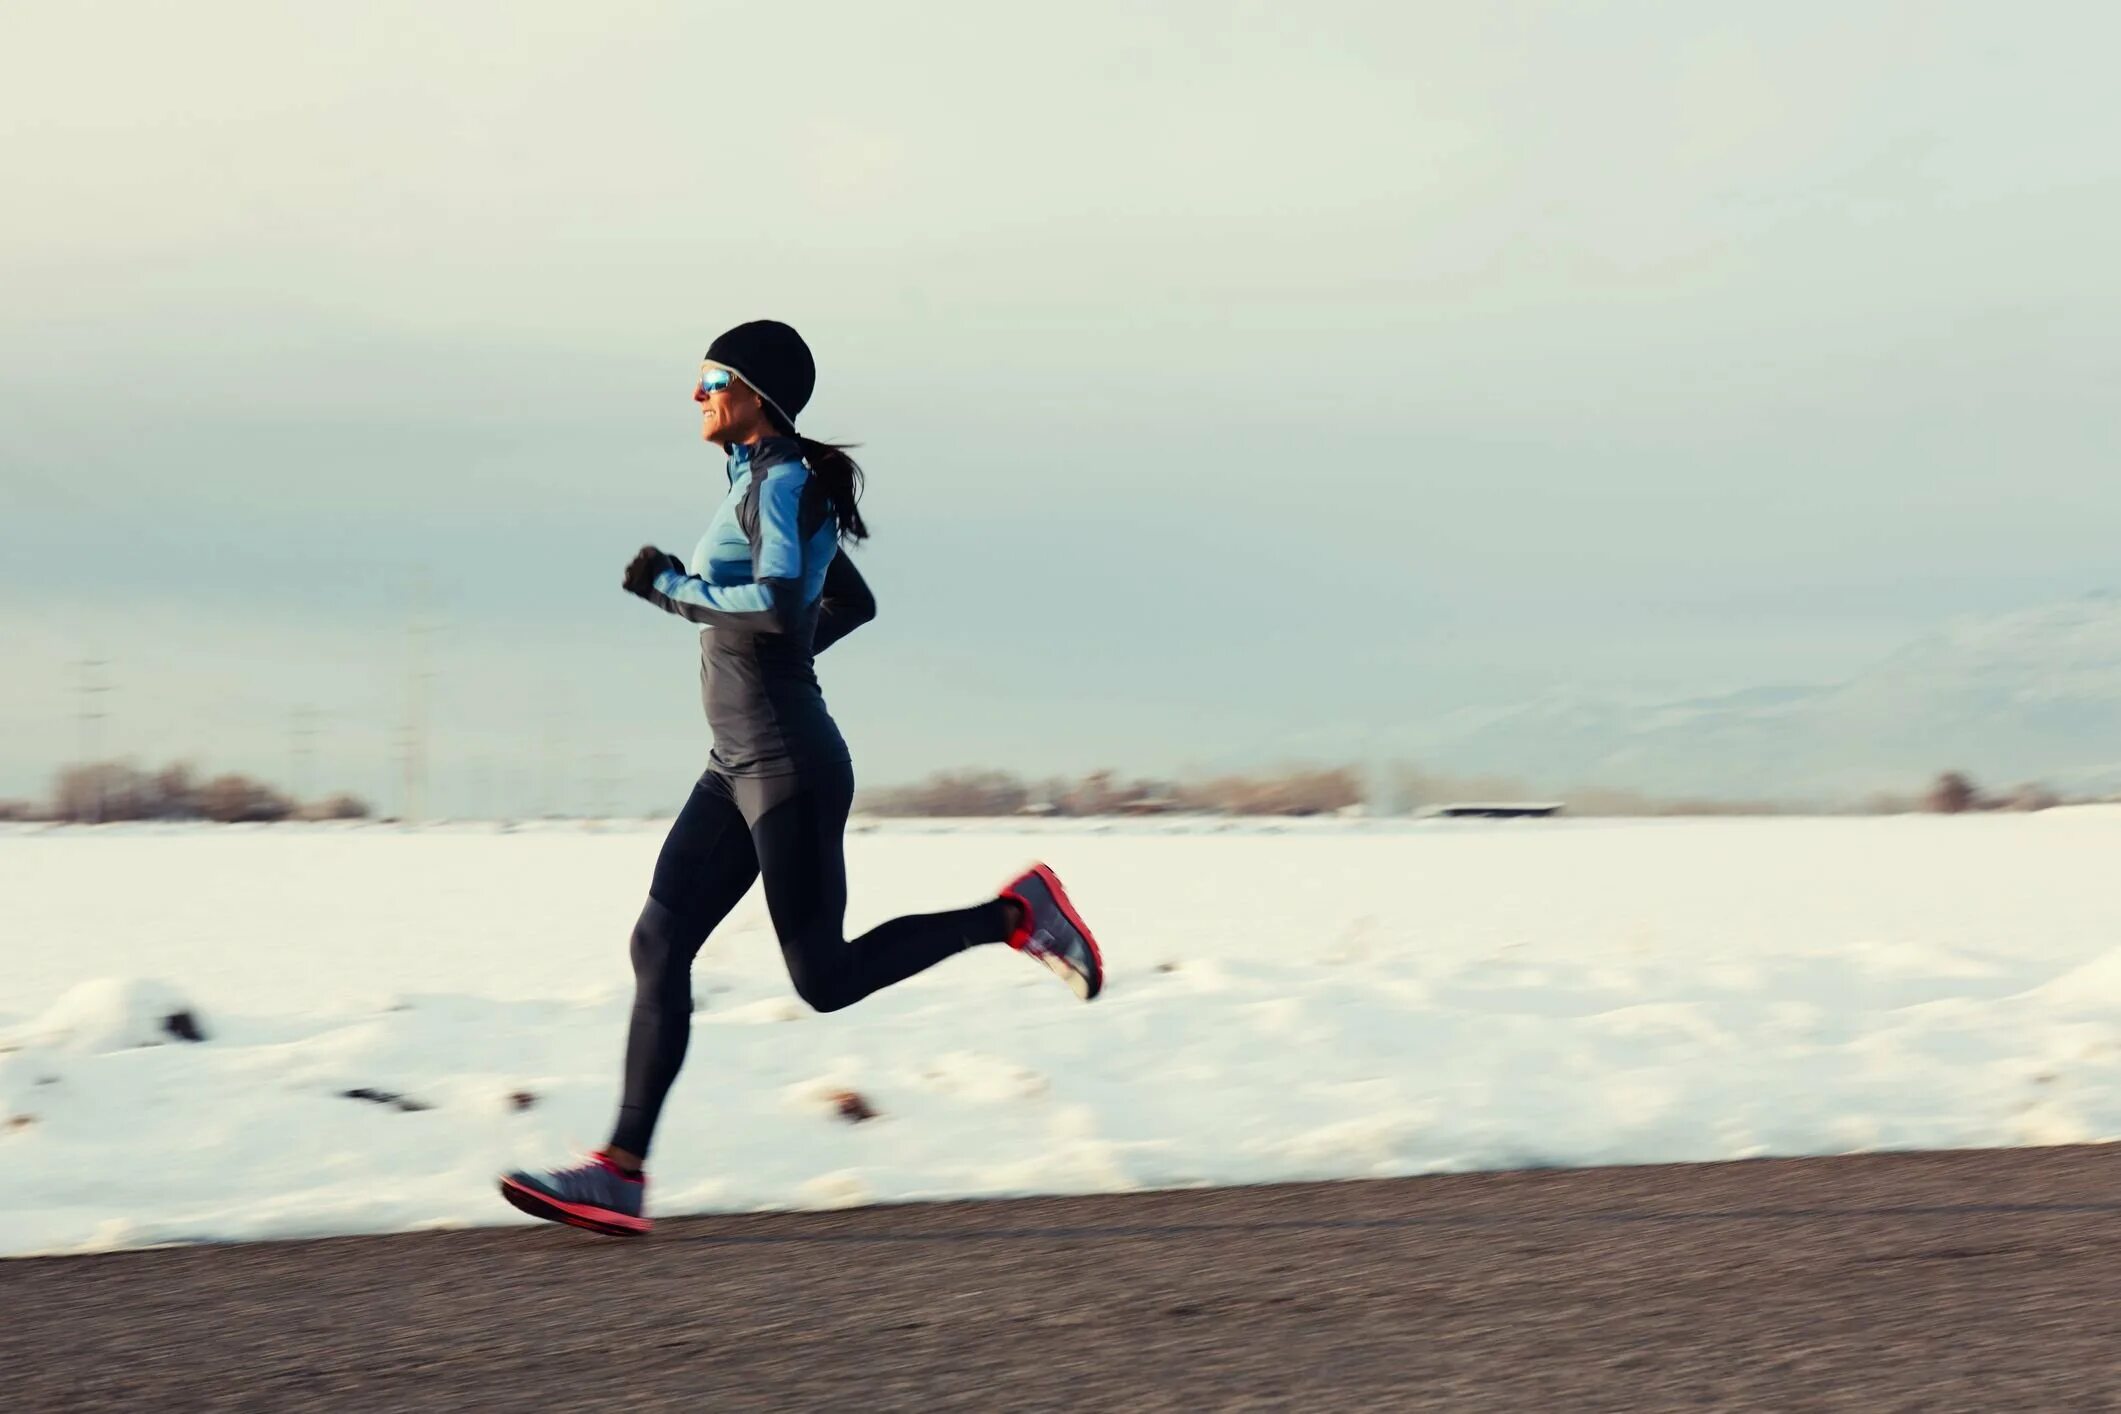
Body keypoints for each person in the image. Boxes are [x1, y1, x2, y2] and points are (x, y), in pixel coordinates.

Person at [499, 320, 1102, 1237]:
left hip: (787, 766)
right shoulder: (760, 482)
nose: (695, 396)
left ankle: (1016, 914)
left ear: (752, 391)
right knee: (658, 947)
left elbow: (782, 604)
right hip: (734, 764)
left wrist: (674, 591)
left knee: (822, 979)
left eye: (709, 379)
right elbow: (846, 600)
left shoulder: (779, 482)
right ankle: (619, 1171)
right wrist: (768, 668)